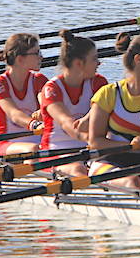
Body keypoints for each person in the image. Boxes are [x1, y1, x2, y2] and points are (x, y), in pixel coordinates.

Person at [88, 34, 140, 188]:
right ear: (139, 59)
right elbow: (95, 142)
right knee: (132, 182)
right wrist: (131, 145)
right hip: (109, 161)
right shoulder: (108, 93)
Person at [40, 30, 108, 177]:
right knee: (78, 170)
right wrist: (92, 140)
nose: (99, 63)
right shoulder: (52, 89)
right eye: (94, 59)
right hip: (56, 151)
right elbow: (66, 123)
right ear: (79, 63)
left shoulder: (99, 83)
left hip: (90, 151)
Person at [0, 33, 47, 156]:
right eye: (36, 53)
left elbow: (44, 101)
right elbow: (14, 114)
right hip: (8, 143)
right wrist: (34, 124)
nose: (41, 57)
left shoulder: (39, 80)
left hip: (40, 142)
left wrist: (44, 109)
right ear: (20, 59)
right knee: (33, 148)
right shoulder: (0, 83)